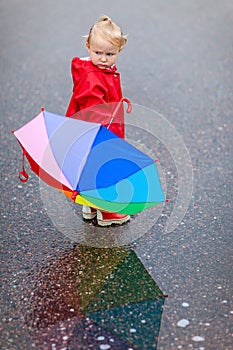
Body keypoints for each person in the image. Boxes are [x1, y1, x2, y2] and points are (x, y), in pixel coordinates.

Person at [66, 15, 130, 226]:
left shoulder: (102, 71)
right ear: (88, 46)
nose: (103, 58)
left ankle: (90, 205)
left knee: (92, 167)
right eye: (98, 52)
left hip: (102, 128)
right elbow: (93, 110)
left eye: (110, 54)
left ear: (120, 51)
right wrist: (106, 134)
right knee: (104, 167)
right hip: (97, 131)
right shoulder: (92, 77)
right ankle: (107, 211)